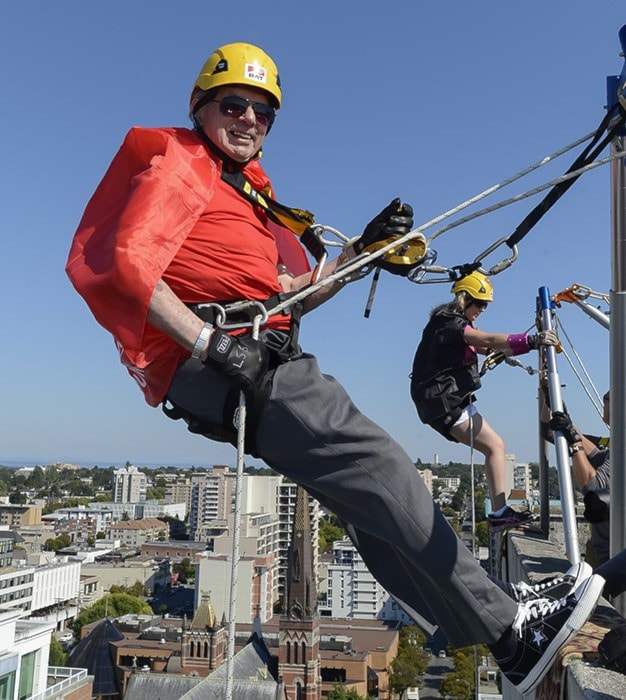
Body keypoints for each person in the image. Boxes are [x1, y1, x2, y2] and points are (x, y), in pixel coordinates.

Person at [66, 42, 604, 694]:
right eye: (233, 104)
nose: (248, 120)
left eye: (263, 112)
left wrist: (364, 256)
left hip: (253, 354)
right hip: (236, 362)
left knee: (370, 512)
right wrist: (211, 343)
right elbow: (129, 264)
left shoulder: (246, 194)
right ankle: (513, 630)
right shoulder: (183, 166)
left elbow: (293, 294)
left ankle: (499, 634)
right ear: (201, 108)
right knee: (383, 466)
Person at [410, 271, 558, 528]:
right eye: (480, 303)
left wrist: (520, 345)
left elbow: (485, 346)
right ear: (465, 299)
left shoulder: (449, 322)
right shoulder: (450, 324)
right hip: (445, 403)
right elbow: (486, 340)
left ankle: (500, 512)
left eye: (485, 305)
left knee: (495, 446)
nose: (483, 309)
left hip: (444, 402)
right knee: (495, 447)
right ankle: (500, 513)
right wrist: (532, 340)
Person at [546, 391, 611, 565]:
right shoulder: (616, 446)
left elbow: (593, 489)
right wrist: (565, 420)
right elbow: (596, 455)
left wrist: (575, 444)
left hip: (613, 558)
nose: (605, 398)